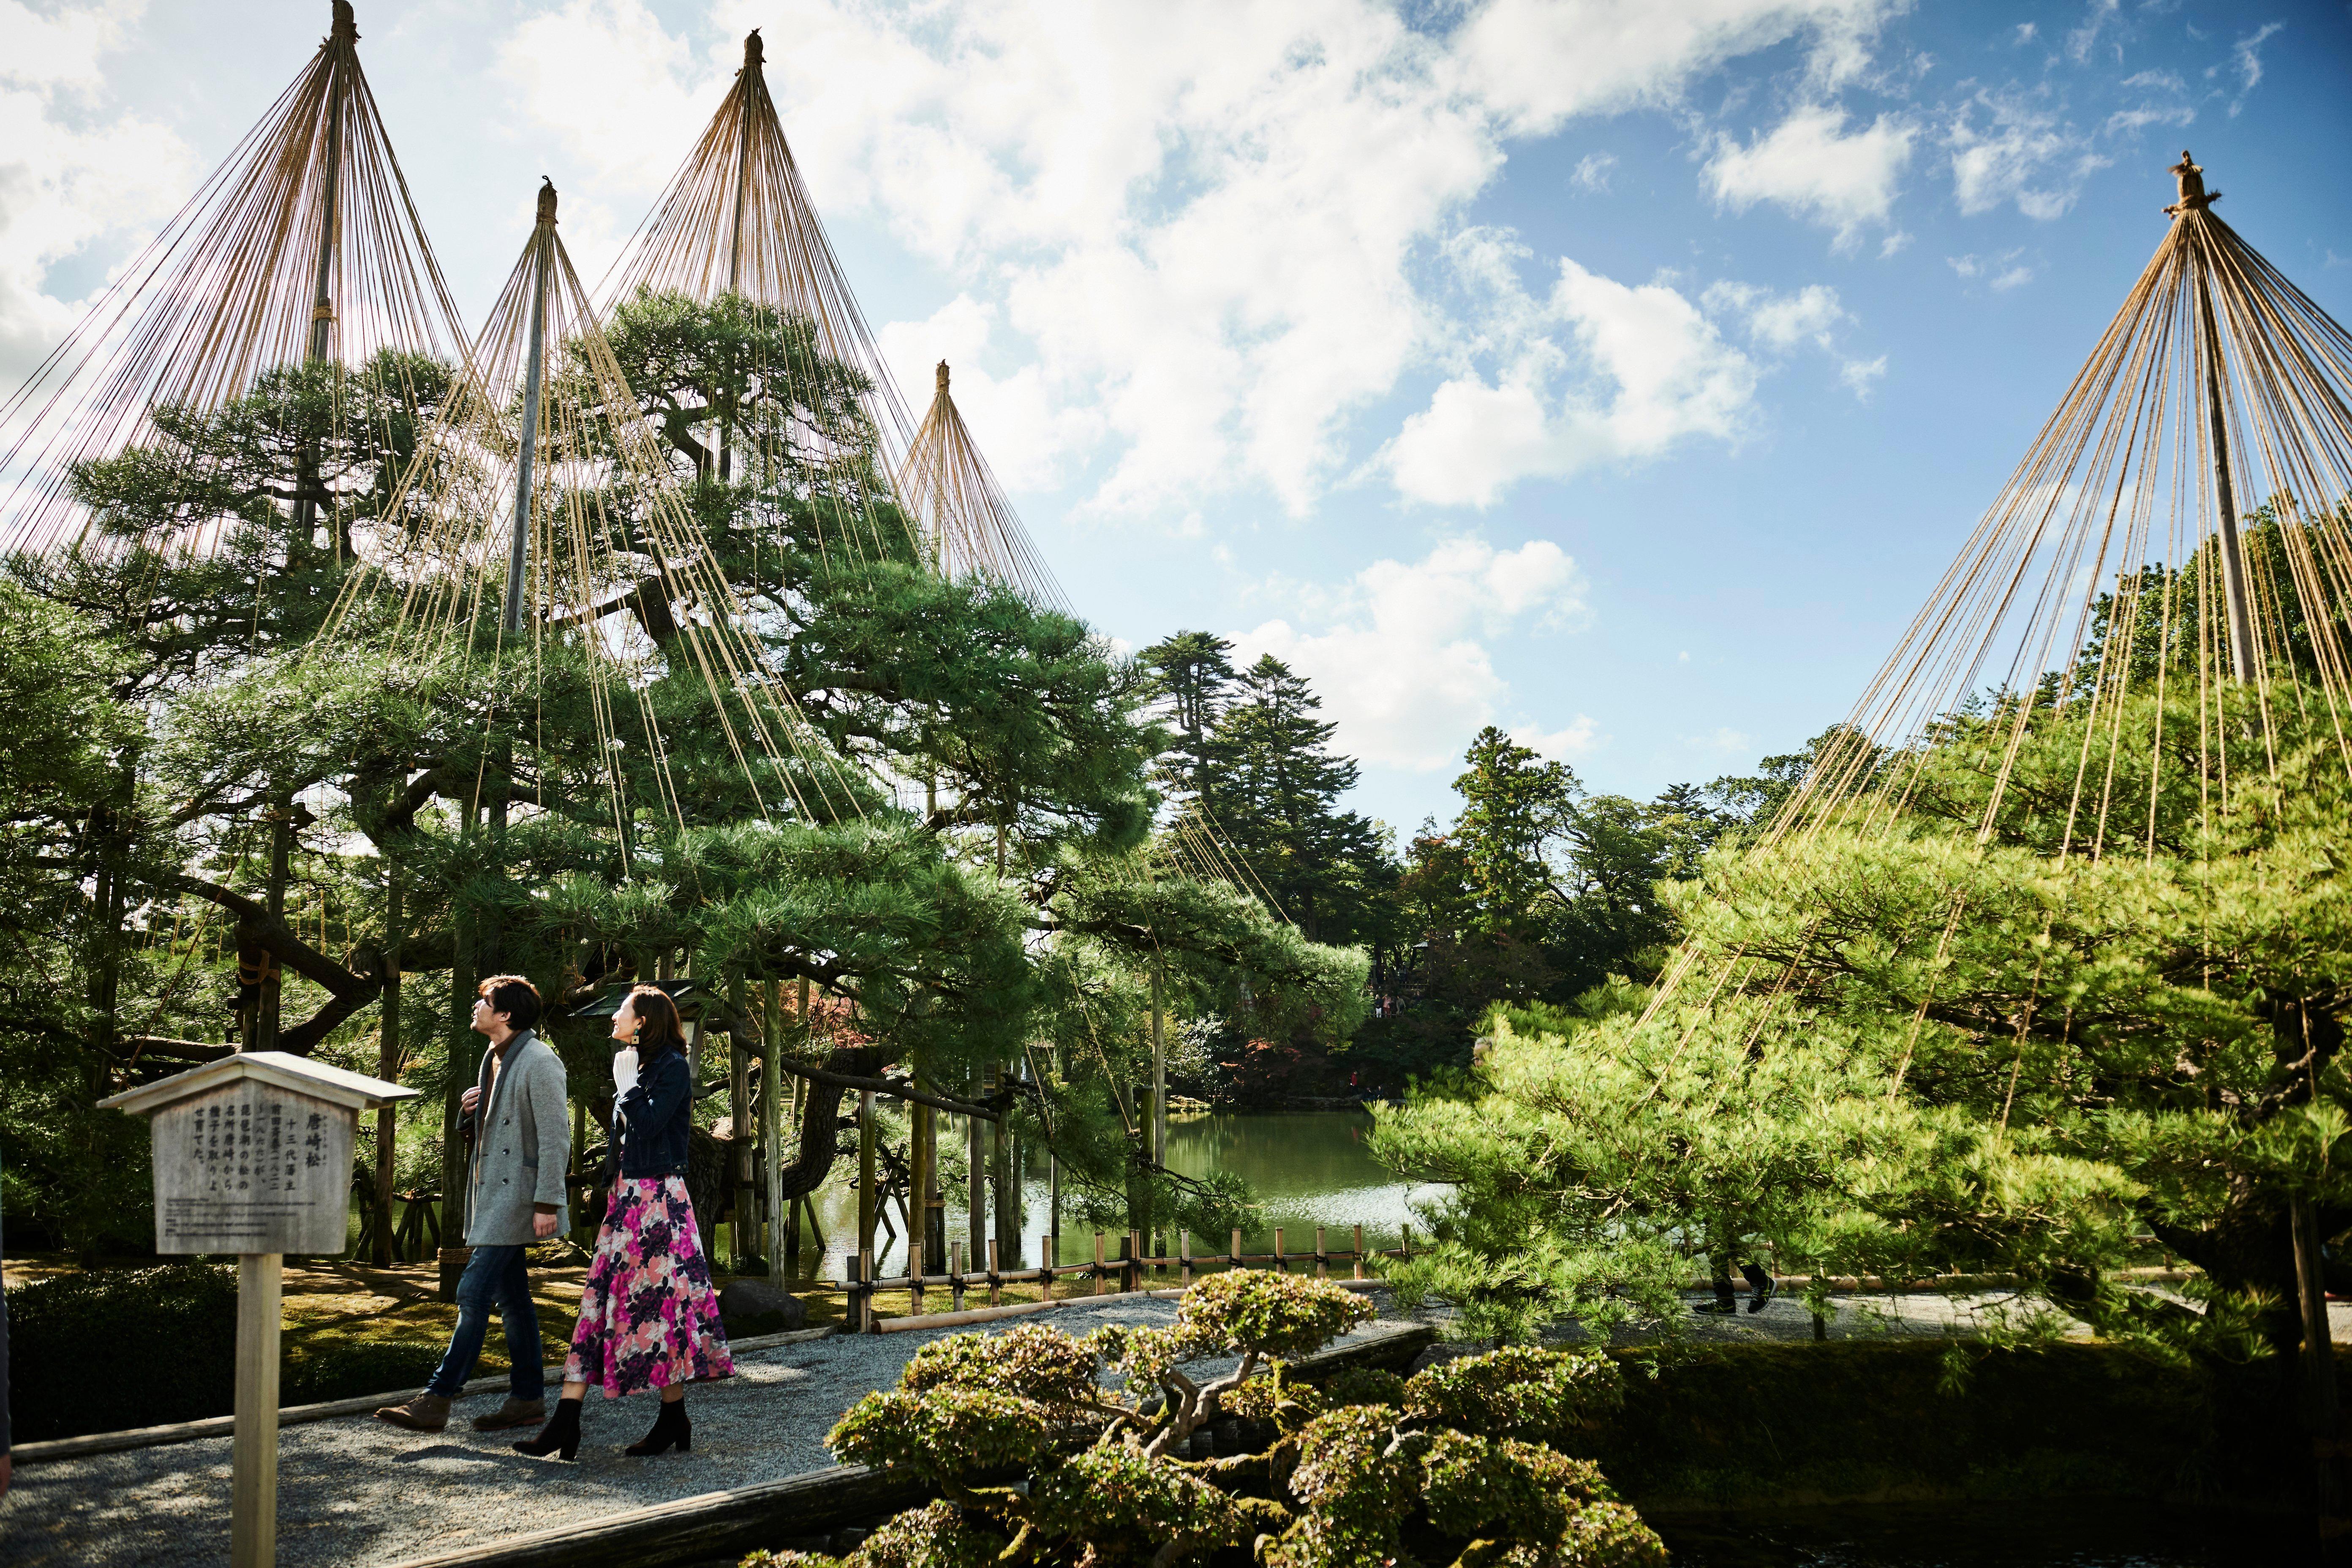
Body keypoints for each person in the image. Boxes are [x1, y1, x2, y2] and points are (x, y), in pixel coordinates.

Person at [515, 985, 732, 1461]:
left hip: (657, 1199)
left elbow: (651, 1126)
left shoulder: (670, 1067)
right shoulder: (637, 1066)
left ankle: (665, 1418)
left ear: (643, 1022)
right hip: (629, 1196)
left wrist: (629, 1088)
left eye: (622, 1010)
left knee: (657, 1310)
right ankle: (568, 1420)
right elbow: (626, 1138)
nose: (614, 1016)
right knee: (601, 1302)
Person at [376, 975, 570, 1434]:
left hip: (519, 1197)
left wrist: (548, 1202)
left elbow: (556, 1136)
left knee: (473, 1290)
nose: (475, 1007)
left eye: (484, 1001)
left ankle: (438, 1397)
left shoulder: (542, 1061)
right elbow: (494, 1128)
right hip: (494, 1192)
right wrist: (471, 1111)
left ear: (505, 1014)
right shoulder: (495, 1056)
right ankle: (526, 1399)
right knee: (514, 1298)